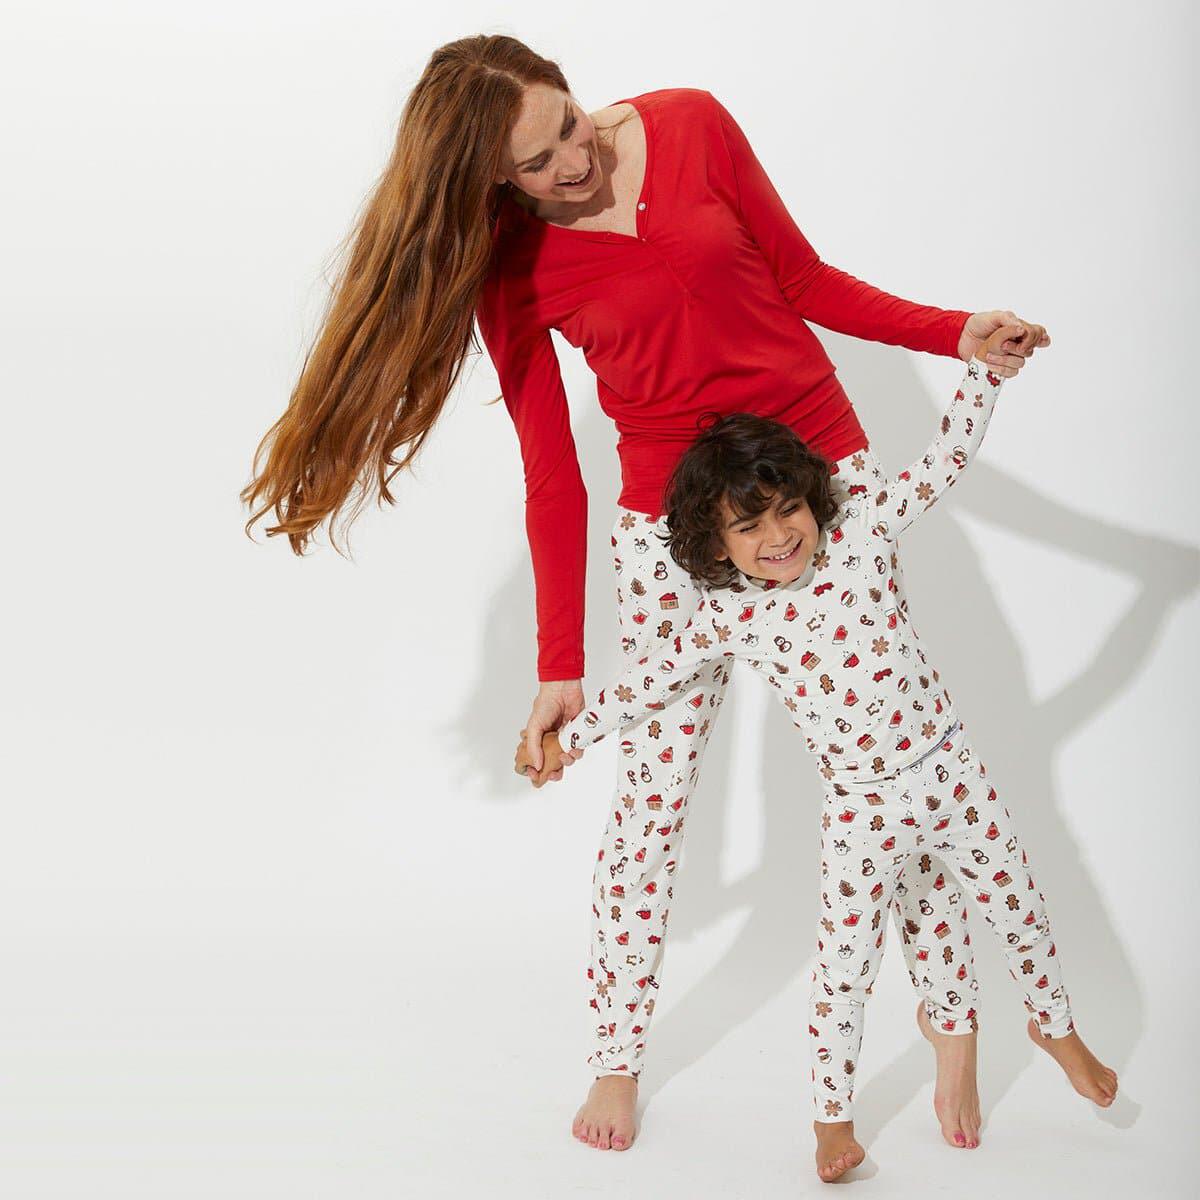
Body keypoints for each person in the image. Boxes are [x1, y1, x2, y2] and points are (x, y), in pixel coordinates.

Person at [241, 34, 1047, 1154]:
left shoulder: (692, 124)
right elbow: (551, 473)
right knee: (651, 810)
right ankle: (616, 1058)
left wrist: (952, 333)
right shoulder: (504, 265)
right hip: (671, 538)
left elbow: (806, 282)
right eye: (533, 164)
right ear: (488, 179)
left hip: (819, 488)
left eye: (568, 125)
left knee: (888, 768)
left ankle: (949, 1023)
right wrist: (560, 665)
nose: (573, 164)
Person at [519, 333, 1117, 1182]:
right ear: (714, 549)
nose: (778, 537)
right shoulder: (729, 615)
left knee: (1021, 910)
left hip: (952, 772)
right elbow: (647, 684)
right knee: (843, 970)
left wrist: (983, 374)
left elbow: (944, 463)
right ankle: (832, 1123)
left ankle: (1055, 1027)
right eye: (748, 526)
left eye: (788, 510)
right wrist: (568, 740)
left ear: (813, 497)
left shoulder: (860, 532)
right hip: (861, 808)